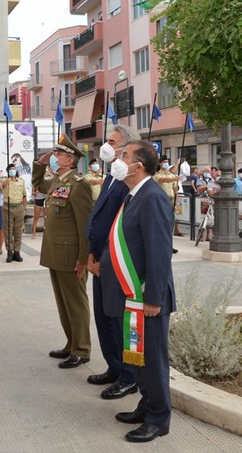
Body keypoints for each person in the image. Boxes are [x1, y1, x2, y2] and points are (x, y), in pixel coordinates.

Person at [99, 140, 176, 443]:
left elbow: (159, 252)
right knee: (139, 356)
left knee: (153, 359)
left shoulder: (153, 197)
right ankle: (147, 404)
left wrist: (154, 299)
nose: (118, 159)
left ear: (138, 165)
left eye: (124, 155)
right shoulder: (134, 195)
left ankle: (159, 418)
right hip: (132, 296)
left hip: (147, 297)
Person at [85, 125, 140, 400]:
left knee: (119, 322)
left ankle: (128, 377)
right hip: (99, 261)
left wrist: (103, 260)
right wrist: (91, 254)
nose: (106, 146)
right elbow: (98, 217)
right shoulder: (110, 177)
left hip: (114, 263)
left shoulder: (127, 181)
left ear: (127, 150)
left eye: (112, 142)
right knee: (104, 320)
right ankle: (114, 367)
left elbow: (120, 227)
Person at [33, 135, 93, 369]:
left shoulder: (79, 185)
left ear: (69, 160)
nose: (54, 158)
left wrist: (83, 258)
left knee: (76, 303)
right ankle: (71, 344)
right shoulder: (58, 182)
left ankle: (82, 349)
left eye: (57, 155)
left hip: (71, 257)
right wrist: (41, 163)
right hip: (55, 254)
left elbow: (85, 224)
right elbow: (39, 184)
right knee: (63, 303)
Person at [2, 163, 28, 262]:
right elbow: (0, 186)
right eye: (10, 169)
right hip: (7, 208)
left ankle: (17, 252)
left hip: (19, 207)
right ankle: (9, 252)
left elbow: (24, 196)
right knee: (8, 231)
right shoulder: (4, 180)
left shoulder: (21, 181)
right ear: (7, 171)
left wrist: (24, 208)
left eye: (14, 168)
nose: (12, 170)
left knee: (18, 231)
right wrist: (5, 183)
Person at [153, 155, 183, 240]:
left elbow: (175, 190)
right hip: (161, 199)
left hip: (171, 199)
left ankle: (169, 240)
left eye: (167, 162)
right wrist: (175, 179)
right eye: (164, 162)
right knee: (161, 220)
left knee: (171, 221)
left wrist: (176, 202)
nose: (166, 164)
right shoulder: (157, 175)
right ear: (160, 164)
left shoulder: (172, 176)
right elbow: (163, 180)